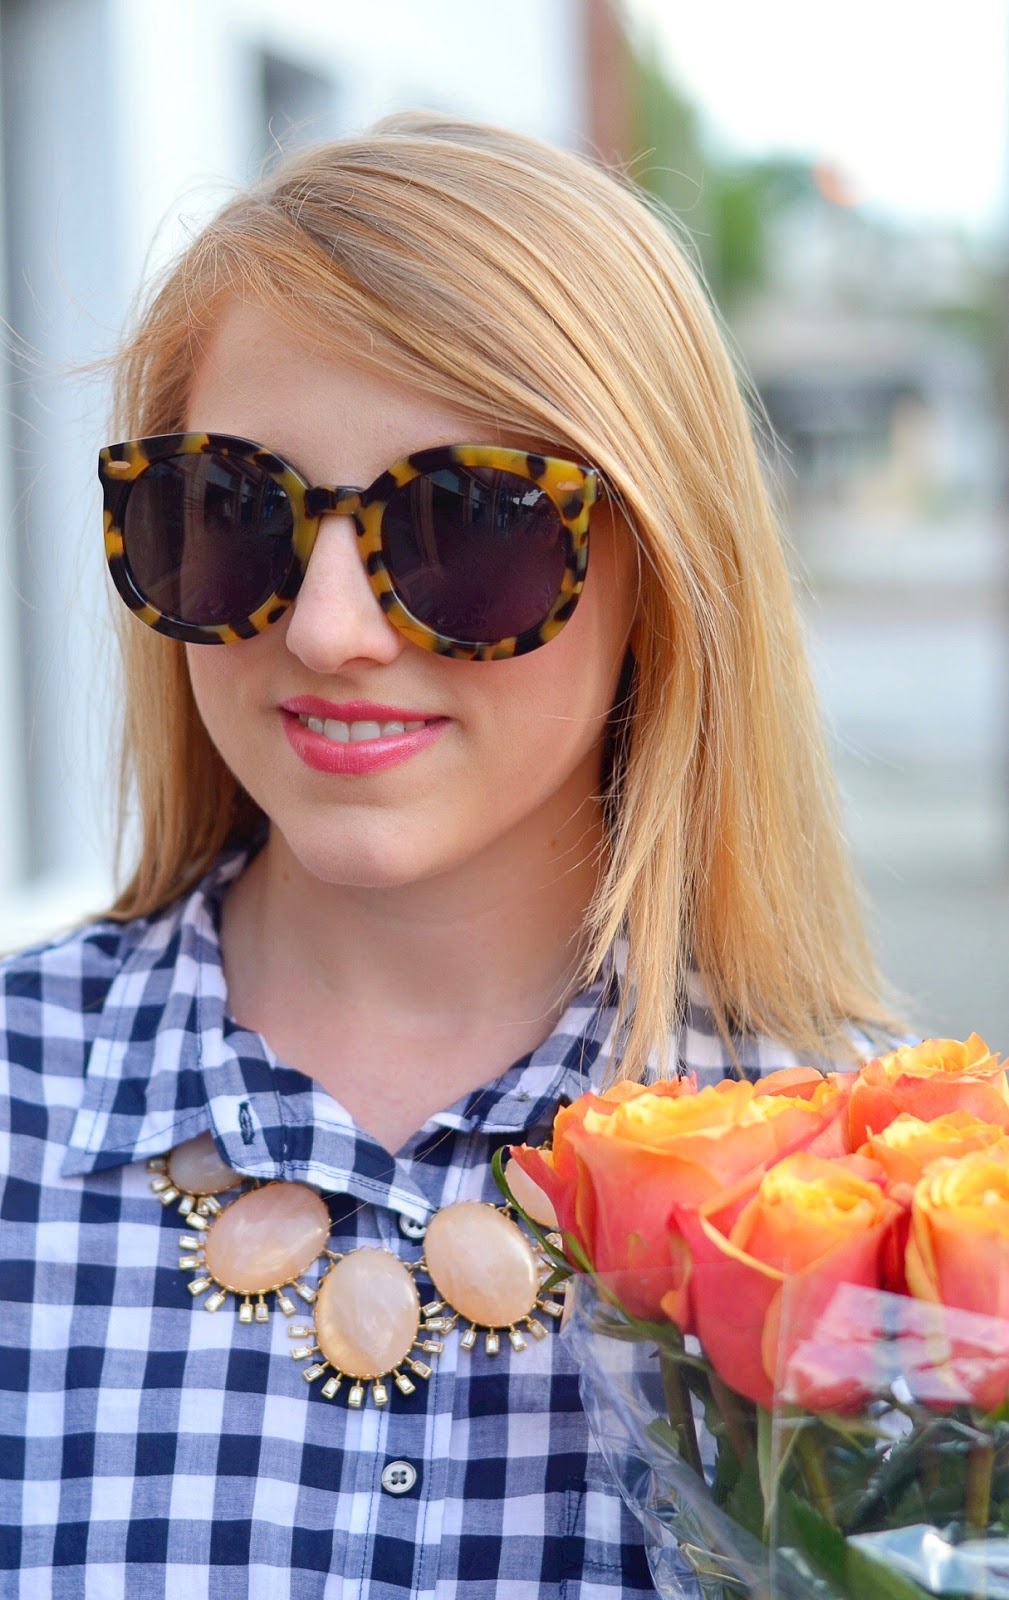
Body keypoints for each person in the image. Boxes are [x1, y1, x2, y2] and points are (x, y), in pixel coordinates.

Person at [0, 111, 901, 1598]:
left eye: (466, 524)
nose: (330, 631)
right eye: (230, 511)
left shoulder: (904, 1215)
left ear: (661, 569)